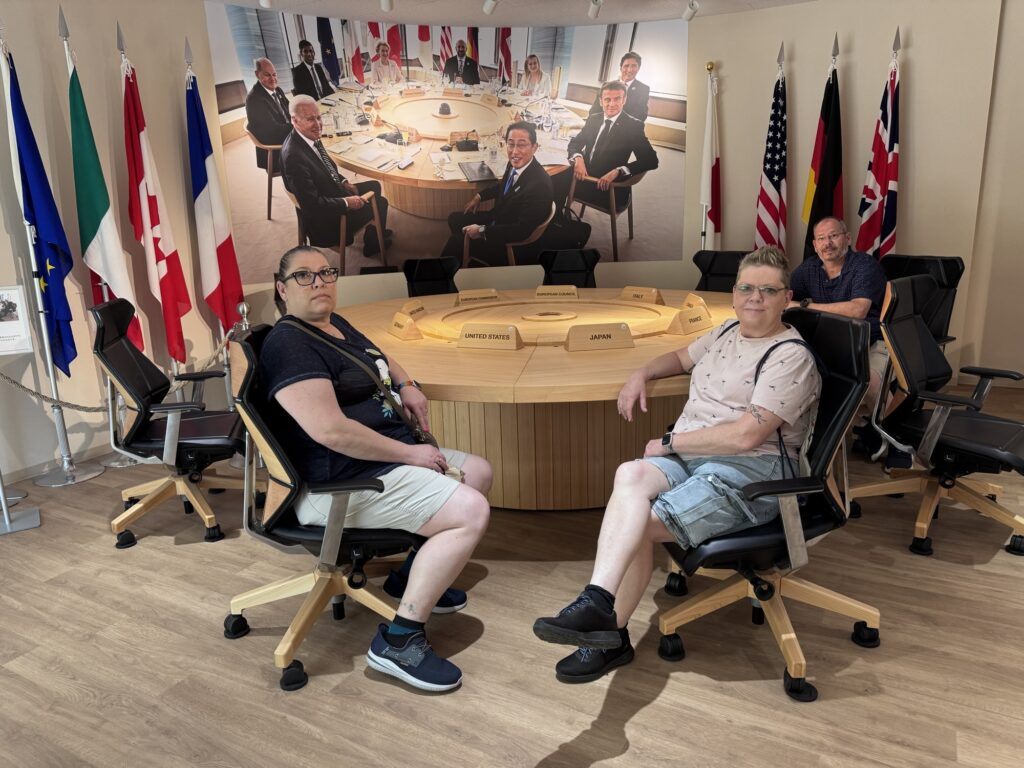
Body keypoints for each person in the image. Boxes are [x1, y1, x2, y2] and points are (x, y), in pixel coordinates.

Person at [532, 247, 821, 684]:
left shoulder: (789, 356)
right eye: (746, 288)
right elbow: (680, 358)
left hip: (750, 475)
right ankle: (597, 602)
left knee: (639, 524)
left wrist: (671, 441)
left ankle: (608, 633)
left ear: (787, 298)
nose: (754, 298)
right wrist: (641, 374)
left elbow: (748, 435)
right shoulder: (726, 331)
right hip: (693, 458)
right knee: (628, 475)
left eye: (767, 290)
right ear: (734, 292)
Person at [260, 245, 492, 692]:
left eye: (326, 272)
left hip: (381, 459)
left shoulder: (332, 322)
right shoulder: (290, 343)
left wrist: (406, 385)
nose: (320, 282)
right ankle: (399, 640)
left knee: (478, 472)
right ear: (282, 288)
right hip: (341, 480)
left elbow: (378, 357)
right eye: (305, 276)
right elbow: (330, 431)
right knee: (471, 512)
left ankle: (410, 577)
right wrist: (411, 454)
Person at [281, 95, 392, 260]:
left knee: (374, 186)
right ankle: (374, 244)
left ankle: (376, 233)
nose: (318, 124)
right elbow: (312, 205)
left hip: (331, 192)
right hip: (329, 221)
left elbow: (324, 167)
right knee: (381, 202)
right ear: (295, 121)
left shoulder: (306, 137)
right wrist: (347, 202)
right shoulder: (294, 157)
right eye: (310, 119)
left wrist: (343, 181)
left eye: (319, 117)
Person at [442, 121, 554, 267]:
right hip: (499, 218)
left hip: (508, 241)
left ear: (534, 147)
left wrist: (482, 231)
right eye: (511, 144)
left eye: (521, 145)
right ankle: (464, 259)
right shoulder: (516, 162)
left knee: (455, 242)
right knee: (454, 219)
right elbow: (504, 187)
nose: (514, 151)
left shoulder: (540, 185)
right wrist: (479, 196)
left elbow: (522, 231)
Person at [554, 80, 659, 214]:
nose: (612, 104)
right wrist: (578, 158)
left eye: (617, 99)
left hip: (606, 187)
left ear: (624, 100)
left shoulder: (633, 126)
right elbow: (575, 143)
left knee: (555, 182)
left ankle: (558, 222)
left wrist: (619, 170)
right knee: (553, 177)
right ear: (601, 101)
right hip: (585, 174)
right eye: (607, 99)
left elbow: (651, 160)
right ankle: (555, 219)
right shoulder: (594, 118)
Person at [245, 58, 291, 170]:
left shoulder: (277, 90)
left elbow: (290, 110)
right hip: (275, 150)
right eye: (267, 75)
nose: (273, 79)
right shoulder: (254, 99)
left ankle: (335, 180)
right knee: (313, 150)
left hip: (286, 137)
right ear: (257, 74)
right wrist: (299, 127)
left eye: (274, 74)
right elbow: (271, 132)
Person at [589, 51, 650, 123]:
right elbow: (594, 111)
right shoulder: (606, 85)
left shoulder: (643, 89)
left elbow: (640, 116)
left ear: (638, 68)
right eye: (626, 66)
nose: (629, 70)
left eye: (633, 66)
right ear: (621, 68)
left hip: (626, 130)